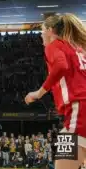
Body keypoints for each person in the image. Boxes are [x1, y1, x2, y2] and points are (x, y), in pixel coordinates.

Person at [24, 13, 86, 169]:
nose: (40, 34)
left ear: (51, 30)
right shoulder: (77, 48)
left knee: (63, 165)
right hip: (80, 111)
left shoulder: (55, 45)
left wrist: (38, 93)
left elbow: (61, 66)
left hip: (79, 111)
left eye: (42, 29)